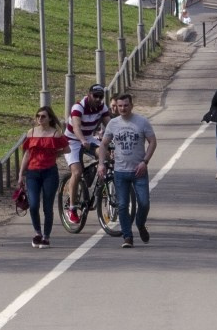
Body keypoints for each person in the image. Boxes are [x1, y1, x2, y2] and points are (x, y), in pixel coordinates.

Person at [99, 90, 156, 247]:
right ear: (116, 107)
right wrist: (101, 163)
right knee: (123, 205)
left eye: (126, 105)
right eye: (120, 106)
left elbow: (152, 141)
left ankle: (140, 223)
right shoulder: (113, 123)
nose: (123, 108)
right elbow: (104, 144)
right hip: (120, 171)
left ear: (131, 105)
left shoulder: (142, 122)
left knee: (144, 203)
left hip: (139, 170)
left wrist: (145, 161)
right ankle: (127, 236)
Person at [20, 106, 69, 248]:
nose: (40, 119)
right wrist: (20, 174)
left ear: (50, 118)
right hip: (32, 172)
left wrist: (55, 154)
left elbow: (67, 149)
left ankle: (46, 236)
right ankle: (37, 233)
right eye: (38, 116)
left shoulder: (56, 134)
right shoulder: (31, 132)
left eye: (43, 116)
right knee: (34, 205)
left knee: (47, 207)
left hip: (49, 172)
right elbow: (27, 154)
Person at [64, 82, 109, 221]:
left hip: (89, 137)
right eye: (95, 96)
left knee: (107, 156)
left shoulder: (102, 106)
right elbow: (76, 127)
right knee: (76, 172)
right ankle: (71, 208)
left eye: (100, 96)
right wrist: (83, 141)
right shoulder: (79, 107)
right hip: (73, 140)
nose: (97, 99)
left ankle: (101, 186)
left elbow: (111, 124)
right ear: (89, 95)